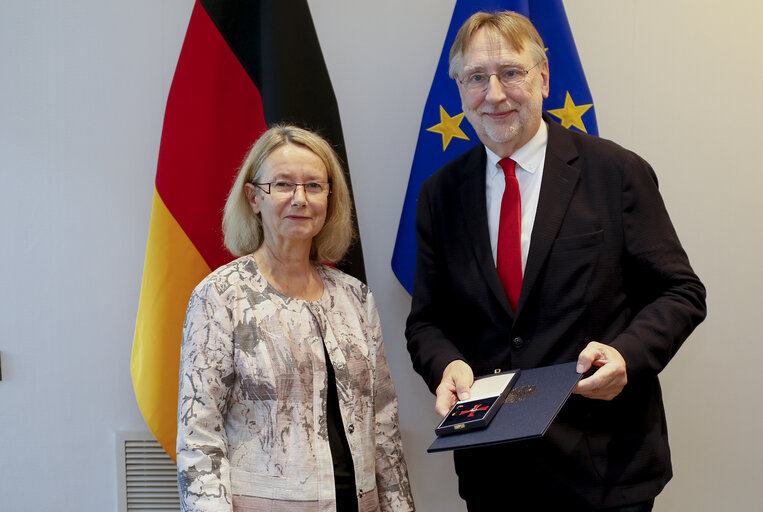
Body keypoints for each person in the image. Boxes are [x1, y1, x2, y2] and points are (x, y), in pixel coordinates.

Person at [405, 11, 706, 511]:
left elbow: (680, 291)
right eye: (477, 78)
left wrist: (627, 355)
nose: (494, 94)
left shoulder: (615, 172)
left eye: (511, 72)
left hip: (604, 466)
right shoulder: (439, 195)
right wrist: (448, 364)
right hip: (493, 471)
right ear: (459, 89)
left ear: (543, 77)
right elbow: (427, 321)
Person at [177, 125, 415, 512]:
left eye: (314, 186)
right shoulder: (220, 295)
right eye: (283, 185)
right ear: (254, 198)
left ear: (329, 198)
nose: (300, 199)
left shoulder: (354, 296)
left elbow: (384, 426)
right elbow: (199, 439)